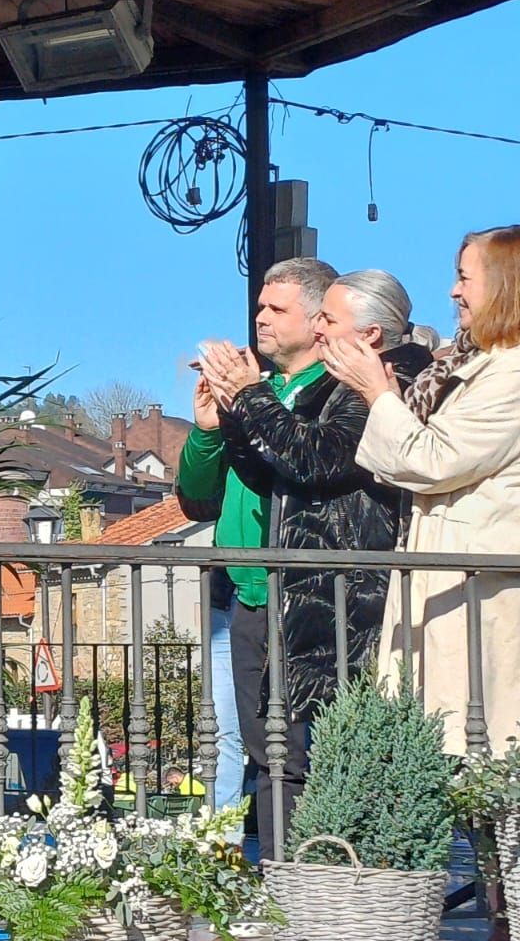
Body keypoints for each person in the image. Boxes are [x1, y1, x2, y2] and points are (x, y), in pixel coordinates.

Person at [195, 267, 432, 852]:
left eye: (328, 318)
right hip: (289, 593)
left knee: (309, 750)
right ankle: (287, 884)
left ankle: (313, 884)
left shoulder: (373, 385)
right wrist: (231, 417)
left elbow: (317, 461)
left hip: (339, 598)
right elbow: (273, 471)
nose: (320, 329)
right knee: (273, 750)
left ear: (371, 333)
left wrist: (250, 396)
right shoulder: (330, 382)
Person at [325, 227, 520, 754]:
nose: (454, 292)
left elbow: (430, 461)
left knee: (484, 754)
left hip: (480, 593)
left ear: (505, 284)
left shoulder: (512, 376)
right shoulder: (476, 366)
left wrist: (377, 390)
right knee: (438, 744)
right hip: (444, 584)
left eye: (464, 278)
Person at [176, 257, 337, 845]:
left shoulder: (333, 394)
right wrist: (207, 429)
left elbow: (300, 465)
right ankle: (261, 873)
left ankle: (297, 882)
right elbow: (196, 499)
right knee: (255, 748)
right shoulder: (257, 393)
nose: (261, 319)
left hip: (300, 598)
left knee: (293, 751)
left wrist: (247, 402)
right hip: (242, 596)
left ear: (320, 320)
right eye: (260, 306)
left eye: (277, 309)